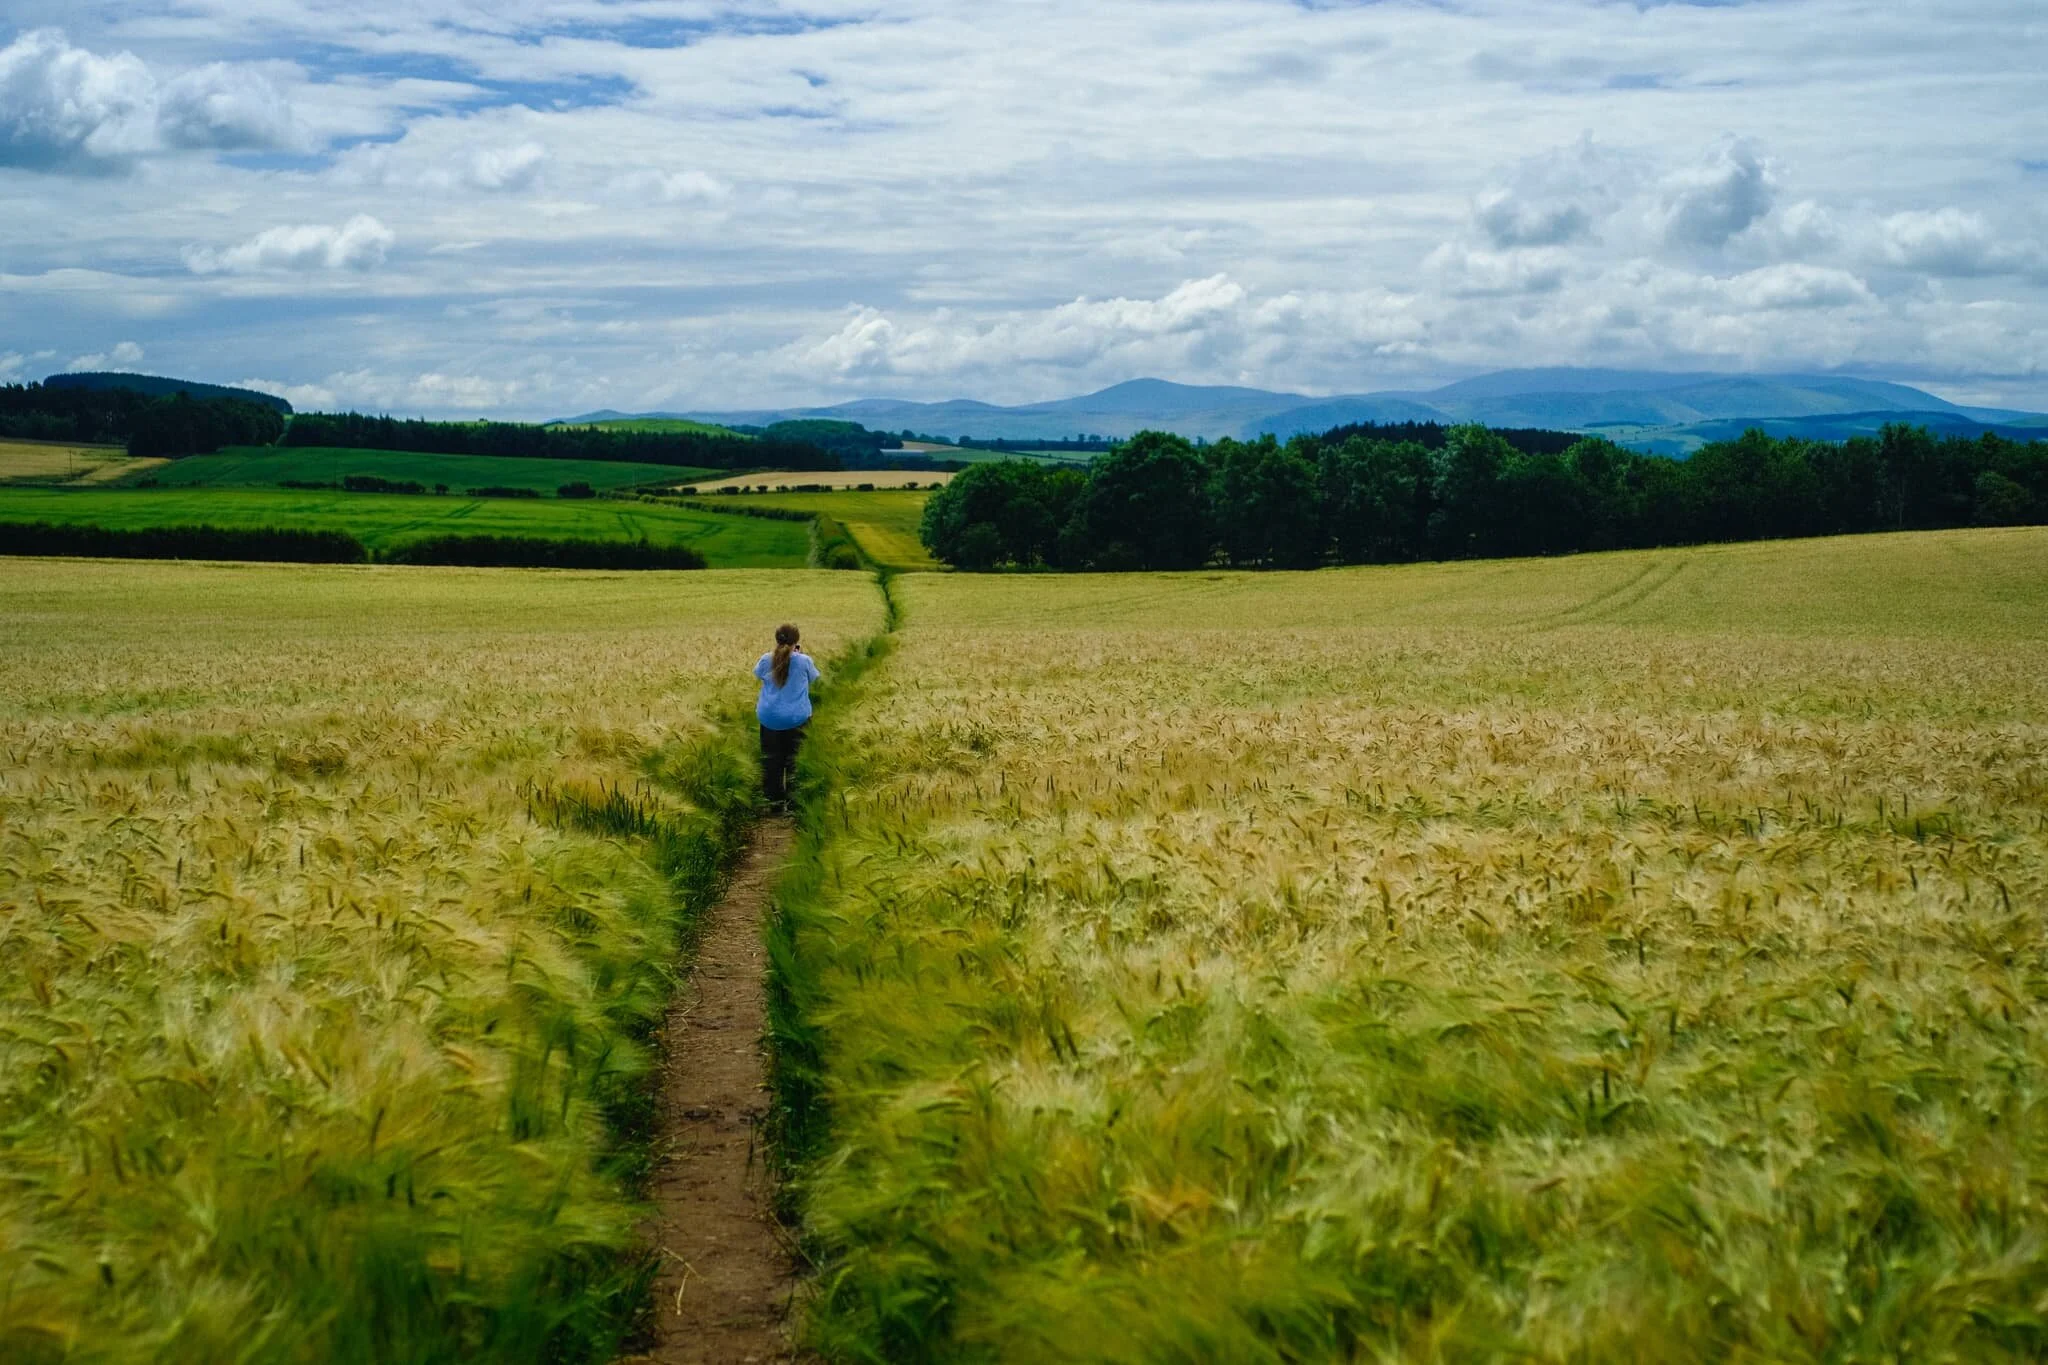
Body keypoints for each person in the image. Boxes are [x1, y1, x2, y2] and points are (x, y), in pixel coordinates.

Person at [753, 623, 820, 811]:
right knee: (795, 760)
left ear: (777, 640)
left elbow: (759, 674)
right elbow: (814, 678)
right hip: (797, 719)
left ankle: (773, 804)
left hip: (769, 719)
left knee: (772, 760)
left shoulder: (766, 660)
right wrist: (797, 655)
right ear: (796, 642)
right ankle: (794, 804)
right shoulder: (804, 661)